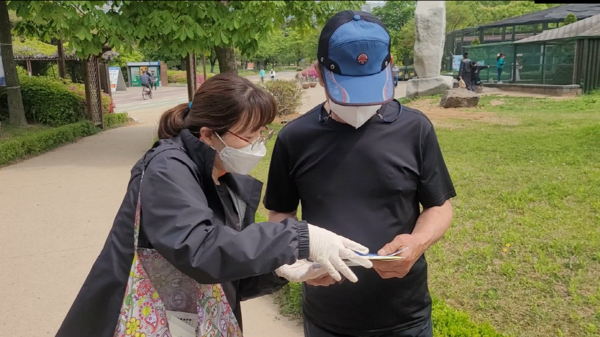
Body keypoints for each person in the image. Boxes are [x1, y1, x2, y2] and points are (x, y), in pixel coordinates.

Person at [56, 73, 372, 337]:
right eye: (250, 136)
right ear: (208, 135)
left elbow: (227, 269)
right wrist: (300, 238)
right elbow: (201, 251)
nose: (258, 145)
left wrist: (280, 269)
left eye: (263, 133)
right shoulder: (167, 168)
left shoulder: (223, 179)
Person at [265, 10, 456, 337]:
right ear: (322, 72)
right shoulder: (294, 137)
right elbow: (280, 212)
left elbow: (439, 206)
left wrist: (418, 241)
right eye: (347, 93)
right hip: (327, 318)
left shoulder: (415, 128)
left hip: (405, 317)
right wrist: (295, 255)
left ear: (389, 64)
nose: (358, 108)